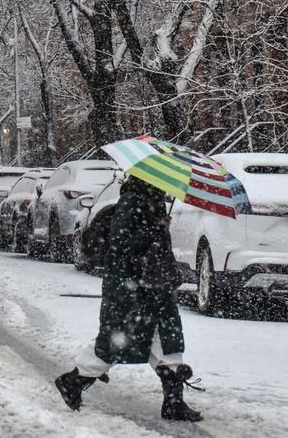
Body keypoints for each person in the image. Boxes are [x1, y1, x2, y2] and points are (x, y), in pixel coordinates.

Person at [54, 176, 202, 422]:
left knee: (167, 338)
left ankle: (174, 402)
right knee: (115, 341)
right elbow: (121, 244)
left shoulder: (151, 199)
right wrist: (155, 227)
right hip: (132, 288)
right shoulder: (133, 200)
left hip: (153, 285)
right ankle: (73, 381)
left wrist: (158, 227)